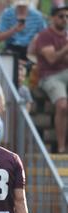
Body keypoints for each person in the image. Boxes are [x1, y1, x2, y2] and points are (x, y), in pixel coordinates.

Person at [34, 5, 68, 153]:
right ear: (53, 18)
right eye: (61, 16)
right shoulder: (45, 35)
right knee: (62, 106)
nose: (65, 19)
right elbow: (52, 59)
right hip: (49, 75)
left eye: (67, 17)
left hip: (65, 72)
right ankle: (61, 147)